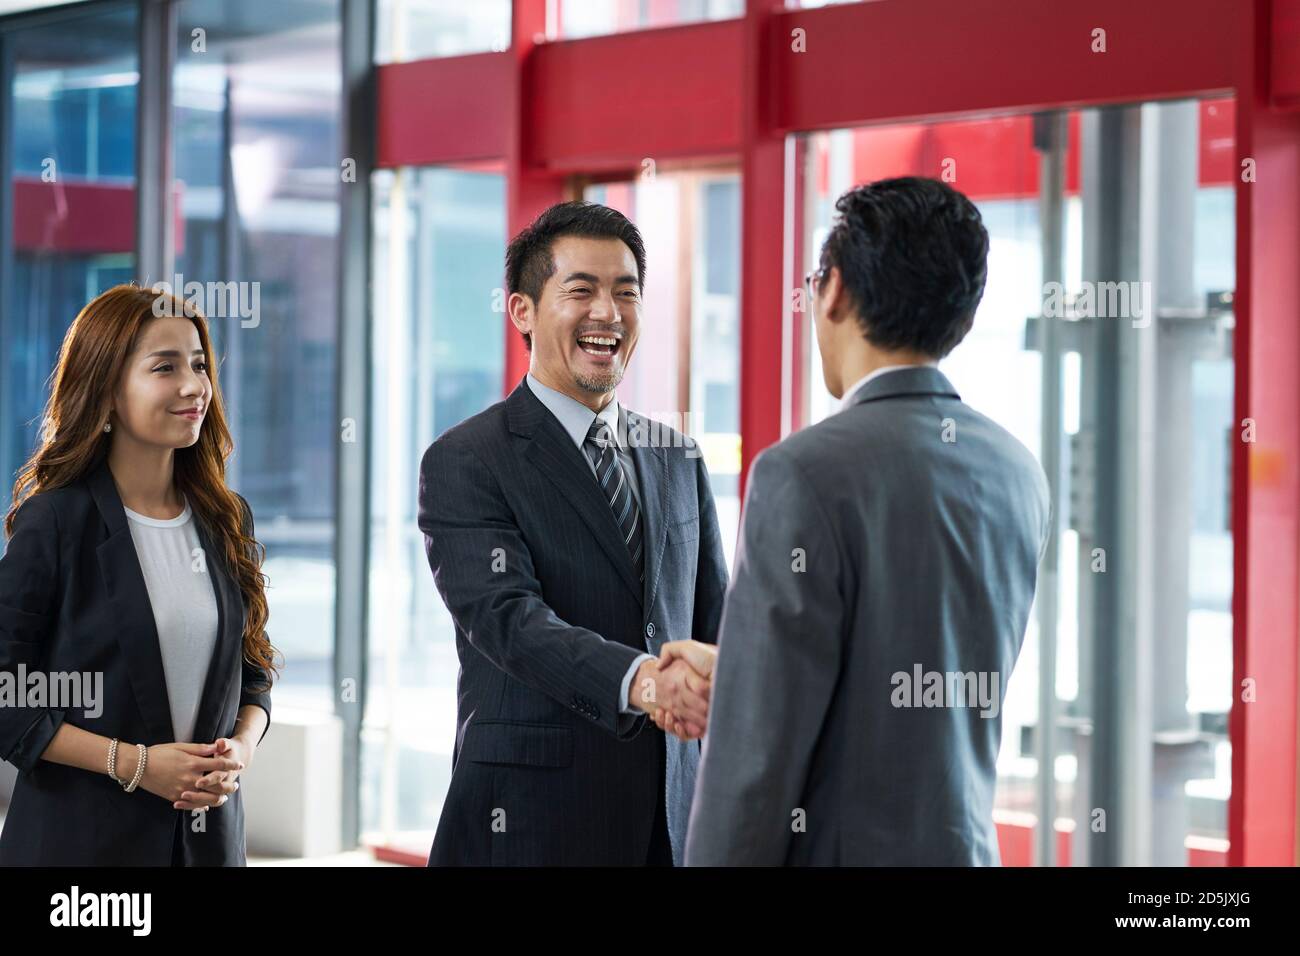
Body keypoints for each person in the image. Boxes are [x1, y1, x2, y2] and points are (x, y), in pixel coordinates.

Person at [675, 177, 1051, 865]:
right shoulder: (1017, 471)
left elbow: (755, 764)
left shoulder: (803, 472)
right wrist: (742, 675)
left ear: (837, 289)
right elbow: (912, 678)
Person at [418, 201, 728, 865]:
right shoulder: (468, 458)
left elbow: (715, 623)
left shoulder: (677, 456)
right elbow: (509, 623)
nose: (608, 314)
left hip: (673, 822)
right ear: (523, 311)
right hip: (534, 820)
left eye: (626, 292)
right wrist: (644, 680)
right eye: (581, 290)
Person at [0, 284, 275, 866]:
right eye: (164, 367)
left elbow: (254, 678)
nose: (192, 385)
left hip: (208, 845)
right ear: (107, 391)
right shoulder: (55, 521)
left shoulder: (227, 519)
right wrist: (137, 765)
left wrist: (239, 752)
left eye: (198, 364)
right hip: (82, 853)